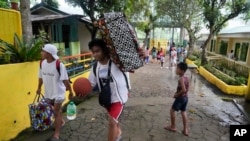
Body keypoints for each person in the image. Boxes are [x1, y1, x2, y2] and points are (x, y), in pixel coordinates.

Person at [88, 39, 145, 141]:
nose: (95, 54)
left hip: (119, 97)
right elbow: (90, 84)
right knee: (114, 119)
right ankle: (118, 134)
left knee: (112, 122)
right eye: (93, 52)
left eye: (98, 51)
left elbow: (133, 64)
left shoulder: (117, 62)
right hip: (107, 99)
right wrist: (80, 93)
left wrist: (140, 56)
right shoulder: (95, 67)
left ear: (104, 50)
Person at [36, 44, 73, 141]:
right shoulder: (42, 63)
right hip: (48, 93)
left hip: (58, 93)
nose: (41, 53)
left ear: (49, 53)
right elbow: (41, 77)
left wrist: (71, 92)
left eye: (43, 51)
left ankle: (56, 134)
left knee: (56, 112)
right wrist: (39, 88)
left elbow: (65, 81)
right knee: (55, 110)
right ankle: (61, 122)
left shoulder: (59, 65)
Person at [164, 62, 189, 136]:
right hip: (185, 98)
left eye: (177, 68)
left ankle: (173, 126)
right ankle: (185, 129)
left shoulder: (181, 79)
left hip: (180, 98)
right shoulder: (186, 78)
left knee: (172, 111)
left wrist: (177, 94)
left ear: (182, 70)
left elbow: (184, 89)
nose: (176, 70)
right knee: (183, 112)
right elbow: (187, 89)